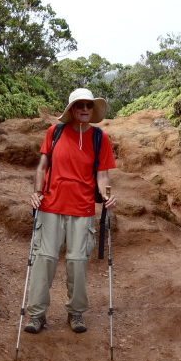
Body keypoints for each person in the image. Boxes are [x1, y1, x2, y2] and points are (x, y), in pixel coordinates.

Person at [24, 88, 117, 334]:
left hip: (83, 208)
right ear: (72, 110)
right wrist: (36, 192)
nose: (85, 109)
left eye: (88, 105)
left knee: (77, 261)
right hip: (51, 206)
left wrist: (106, 195)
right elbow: (42, 166)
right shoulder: (54, 133)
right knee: (45, 260)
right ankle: (36, 315)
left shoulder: (100, 138)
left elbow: (102, 175)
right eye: (80, 106)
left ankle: (75, 313)